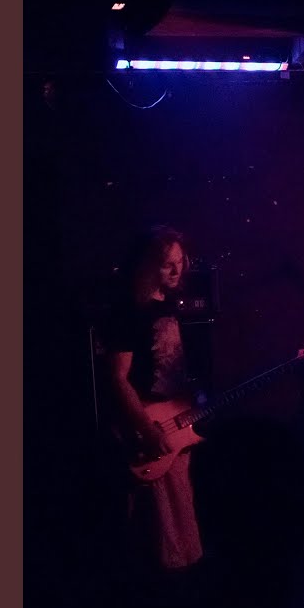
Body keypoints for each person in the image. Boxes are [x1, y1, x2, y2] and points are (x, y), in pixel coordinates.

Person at [104, 225, 204, 578]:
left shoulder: (171, 306)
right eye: (167, 265)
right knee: (155, 529)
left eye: (180, 261)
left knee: (181, 519)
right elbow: (117, 378)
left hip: (177, 422)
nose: (177, 271)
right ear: (149, 266)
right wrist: (146, 429)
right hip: (148, 430)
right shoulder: (129, 311)